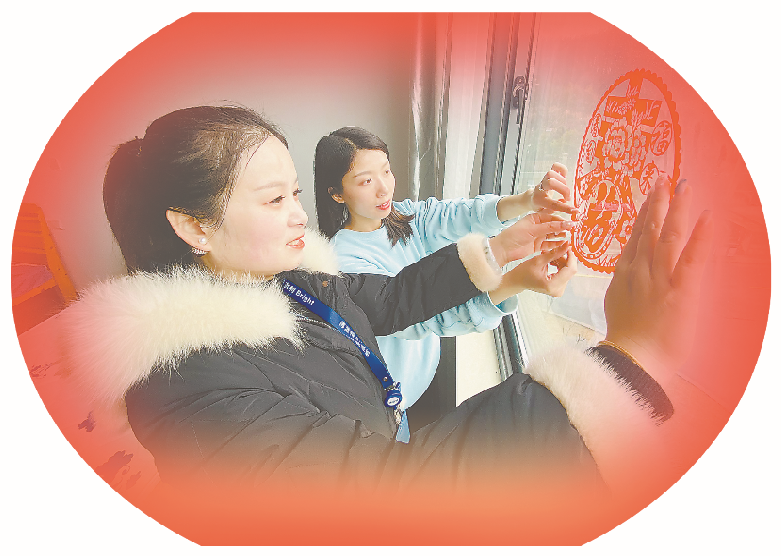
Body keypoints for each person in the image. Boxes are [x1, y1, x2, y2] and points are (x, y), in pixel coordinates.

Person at [60, 105, 714, 544]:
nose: (299, 216)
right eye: (275, 199)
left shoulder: (285, 279)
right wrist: (627, 362)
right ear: (193, 227)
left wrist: (506, 255)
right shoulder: (192, 396)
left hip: (384, 426)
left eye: (294, 192)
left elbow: (391, 298)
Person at [314, 127, 579, 437]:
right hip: (385, 410)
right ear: (337, 194)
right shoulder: (344, 265)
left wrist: (528, 200)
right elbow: (425, 316)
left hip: (419, 386)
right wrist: (516, 279)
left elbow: (458, 215)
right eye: (366, 181)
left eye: (386, 170)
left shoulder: (402, 216)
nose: (384, 189)